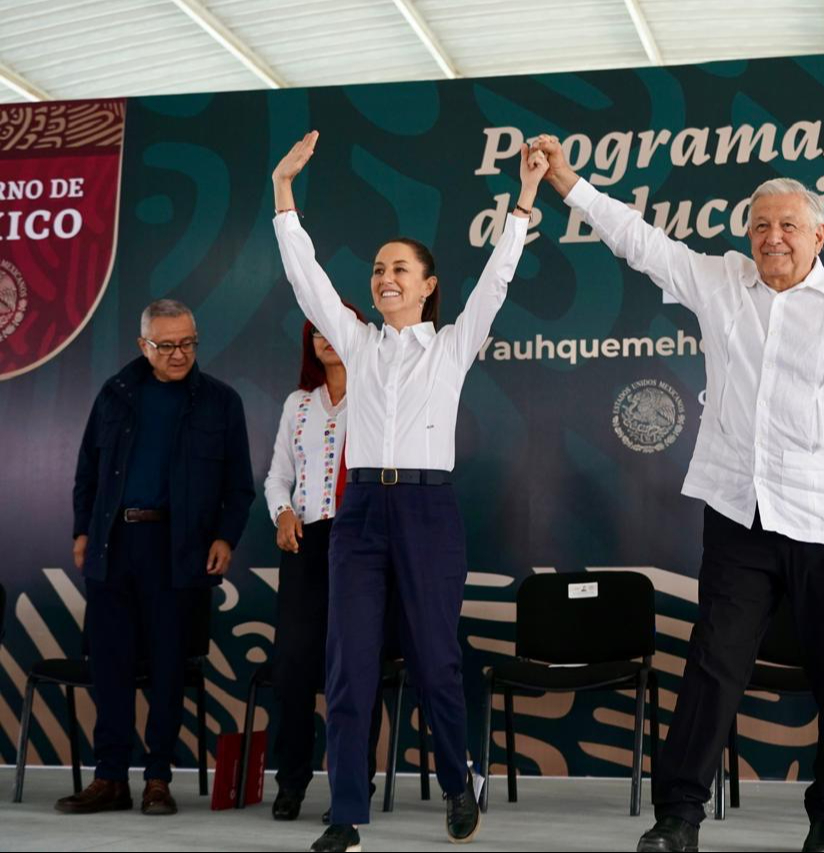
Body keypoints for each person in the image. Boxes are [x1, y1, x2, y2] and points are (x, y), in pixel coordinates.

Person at [531, 134, 824, 853]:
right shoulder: (719, 281)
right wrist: (568, 183)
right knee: (713, 665)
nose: (774, 237)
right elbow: (638, 241)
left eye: (789, 225)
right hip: (740, 512)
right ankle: (678, 816)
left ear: (820, 234)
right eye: (762, 225)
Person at [271, 130, 548, 852]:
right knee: (349, 662)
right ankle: (347, 813)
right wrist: (283, 193)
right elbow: (306, 282)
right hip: (359, 513)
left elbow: (497, 281)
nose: (384, 276)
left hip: (427, 511)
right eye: (377, 268)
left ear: (427, 284)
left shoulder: (454, 345)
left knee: (434, 658)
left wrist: (523, 200)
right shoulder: (357, 344)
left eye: (400, 268)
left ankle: (458, 781)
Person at [65, 298, 254, 816]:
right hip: (114, 546)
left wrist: (226, 537)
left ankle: (156, 779)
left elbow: (239, 487)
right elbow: (87, 472)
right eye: (167, 345)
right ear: (142, 345)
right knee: (111, 666)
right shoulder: (116, 395)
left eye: (188, 343)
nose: (179, 354)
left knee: (170, 667)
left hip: (180, 551)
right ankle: (109, 778)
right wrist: (83, 531)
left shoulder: (220, 402)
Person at [263, 312, 385, 821]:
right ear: (310, 344)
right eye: (318, 332)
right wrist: (283, 510)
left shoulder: (378, 396)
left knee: (357, 669)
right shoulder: (298, 405)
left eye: (338, 329)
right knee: (292, 667)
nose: (328, 339)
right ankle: (291, 781)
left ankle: (353, 782)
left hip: (361, 543)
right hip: (306, 546)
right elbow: (277, 476)